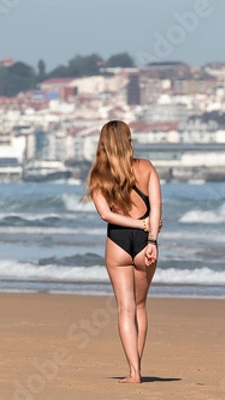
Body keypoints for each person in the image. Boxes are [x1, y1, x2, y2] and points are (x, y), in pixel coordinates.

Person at [84, 120, 162, 384]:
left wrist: (137, 224)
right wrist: (150, 238)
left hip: (117, 242)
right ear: (128, 139)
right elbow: (157, 208)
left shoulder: (99, 175)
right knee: (140, 306)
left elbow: (105, 215)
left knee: (124, 310)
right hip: (145, 242)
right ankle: (135, 368)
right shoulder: (146, 167)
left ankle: (134, 372)